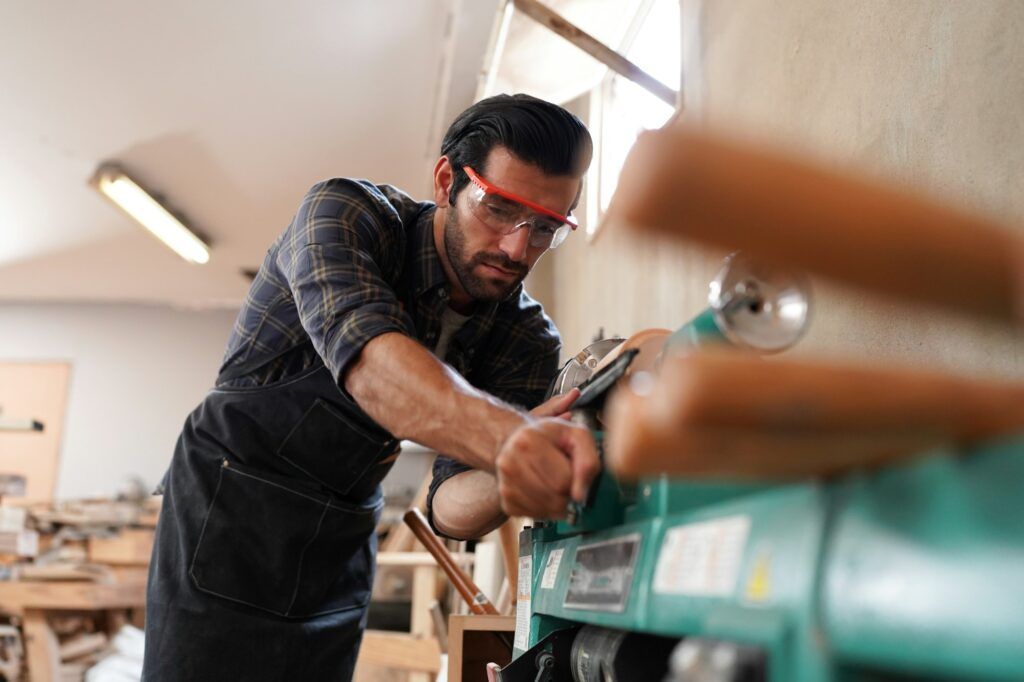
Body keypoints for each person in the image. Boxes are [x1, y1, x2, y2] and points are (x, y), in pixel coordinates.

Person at [142, 93, 599, 681]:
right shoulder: (346, 216)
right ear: (446, 180)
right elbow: (376, 371)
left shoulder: (525, 336)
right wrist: (514, 438)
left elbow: (450, 510)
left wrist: (521, 479)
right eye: (499, 209)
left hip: (340, 535)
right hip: (226, 524)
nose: (517, 248)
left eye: (545, 229)